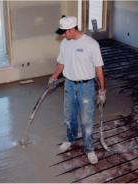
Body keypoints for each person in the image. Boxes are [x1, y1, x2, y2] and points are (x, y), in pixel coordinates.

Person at [49, 16, 106, 164]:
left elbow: (99, 68)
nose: (62, 35)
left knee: (86, 120)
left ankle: (89, 149)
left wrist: (102, 90)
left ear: (72, 29)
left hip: (86, 86)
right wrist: (54, 77)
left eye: (64, 32)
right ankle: (70, 139)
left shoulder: (91, 44)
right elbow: (61, 63)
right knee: (69, 116)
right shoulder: (64, 43)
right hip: (69, 84)